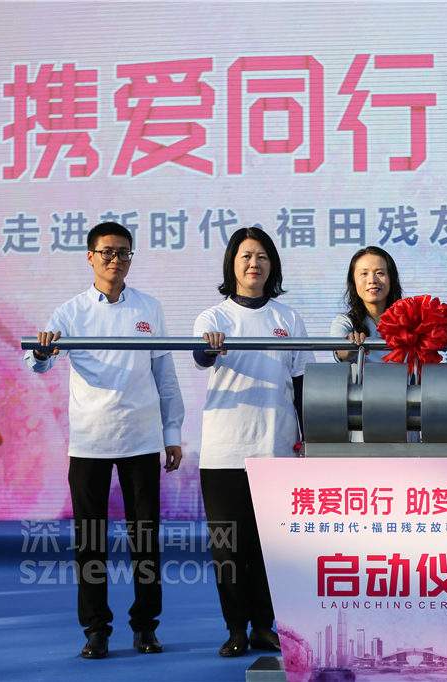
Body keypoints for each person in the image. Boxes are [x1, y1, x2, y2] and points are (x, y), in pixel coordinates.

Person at [24, 221, 184, 659]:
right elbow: (39, 362)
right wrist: (40, 352)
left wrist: (171, 433)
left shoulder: (149, 307)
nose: (116, 259)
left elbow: (165, 376)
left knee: (145, 539)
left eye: (124, 252)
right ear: (90, 257)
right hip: (90, 441)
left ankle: (145, 626)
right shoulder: (70, 312)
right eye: (108, 252)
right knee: (90, 541)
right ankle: (96, 629)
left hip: (141, 438)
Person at [193, 227, 314, 657]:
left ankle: (264, 626)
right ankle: (235, 629)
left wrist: (309, 438)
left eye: (262, 256)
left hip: (277, 447)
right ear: (232, 263)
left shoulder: (289, 319)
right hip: (225, 451)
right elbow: (200, 356)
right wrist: (210, 348)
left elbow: (301, 384)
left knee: (271, 549)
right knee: (228, 549)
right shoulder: (213, 318)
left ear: (272, 265)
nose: (254, 264)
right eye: (246, 256)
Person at [330, 245, 404, 373]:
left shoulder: (409, 320)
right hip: (363, 386)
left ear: (391, 279)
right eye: (364, 273)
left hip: (405, 385)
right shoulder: (345, 322)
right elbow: (342, 352)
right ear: (353, 281)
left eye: (380, 273)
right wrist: (352, 345)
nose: (372, 280)